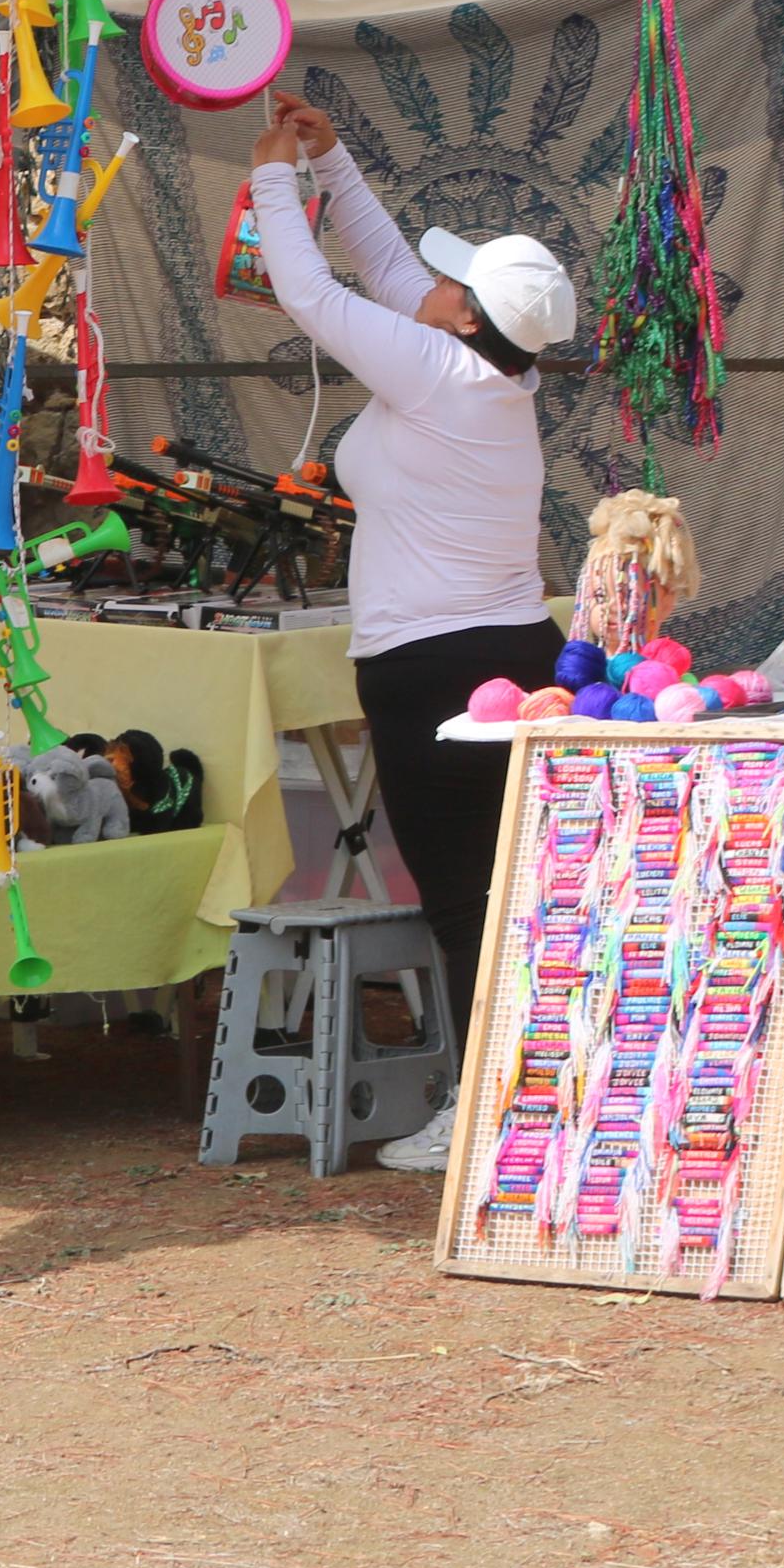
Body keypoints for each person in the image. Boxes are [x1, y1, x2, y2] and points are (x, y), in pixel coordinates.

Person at [246, 100, 576, 1172]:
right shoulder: (481, 368)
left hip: (433, 667)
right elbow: (389, 273)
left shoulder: (437, 371)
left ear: (466, 317)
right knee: (499, 883)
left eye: (452, 283)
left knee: (462, 891)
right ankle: (523, 1094)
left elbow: (308, 291)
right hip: (494, 648)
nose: (427, 285)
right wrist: (331, 158)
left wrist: (270, 179)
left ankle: (487, 1112)